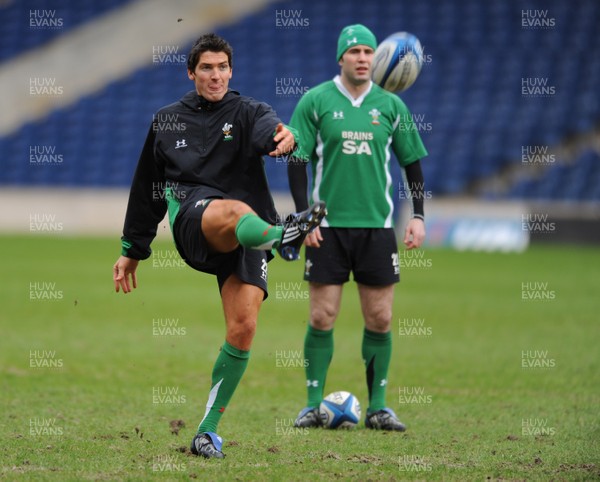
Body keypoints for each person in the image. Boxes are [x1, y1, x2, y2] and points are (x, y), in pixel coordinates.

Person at [112, 33, 326, 459]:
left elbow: (273, 131)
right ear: (191, 72)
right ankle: (282, 235)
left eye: (222, 67)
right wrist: (133, 248)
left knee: (243, 328)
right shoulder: (167, 120)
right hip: (196, 219)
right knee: (231, 211)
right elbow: (147, 189)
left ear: (232, 70)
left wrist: (283, 138)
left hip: (249, 233)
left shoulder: (250, 111)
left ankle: (205, 432)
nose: (215, 75)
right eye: (206, 68)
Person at [287, 24, 428, 431]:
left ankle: (378, 407)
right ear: (341, 59)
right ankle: (313, 404)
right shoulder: (315, 100)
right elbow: (297, 159)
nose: (363, 58)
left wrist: (417, 215)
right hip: (327, 227)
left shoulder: (391, 105)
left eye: (369, 51)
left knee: (380, 318)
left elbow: (412, 163)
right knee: (322, 316)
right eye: (355, 52)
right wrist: (302, 218)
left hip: (377, 228)